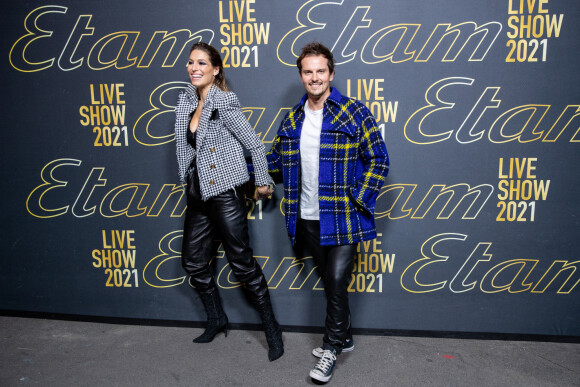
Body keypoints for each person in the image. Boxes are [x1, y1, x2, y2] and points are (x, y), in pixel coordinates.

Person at [259, 42, 389, 381]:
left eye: (320, 71)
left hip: (344, 217)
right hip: (307, 217)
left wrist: (358, 199)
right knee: (333, 287)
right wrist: (240, 162)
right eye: (308, 72)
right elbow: (273, 164)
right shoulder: (292, 119)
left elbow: (379, 159)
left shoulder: (354, 112)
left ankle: (330, 349)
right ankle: (344, 337)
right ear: (301, 76)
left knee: (334, 281)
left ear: (331, 73)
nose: (314, 77)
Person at [174, 42, 283, 361]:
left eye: (202, 63)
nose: (195, 68)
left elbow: (253, 143)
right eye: (191, 62)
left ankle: (272, 329)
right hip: (197, 194)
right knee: (193, 261)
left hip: (224, 193)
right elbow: (187, 149)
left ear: (216, 69)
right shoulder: (185, 101)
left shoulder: (224, 102)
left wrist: (262, 181)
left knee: (242, 264)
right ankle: (216, 318)